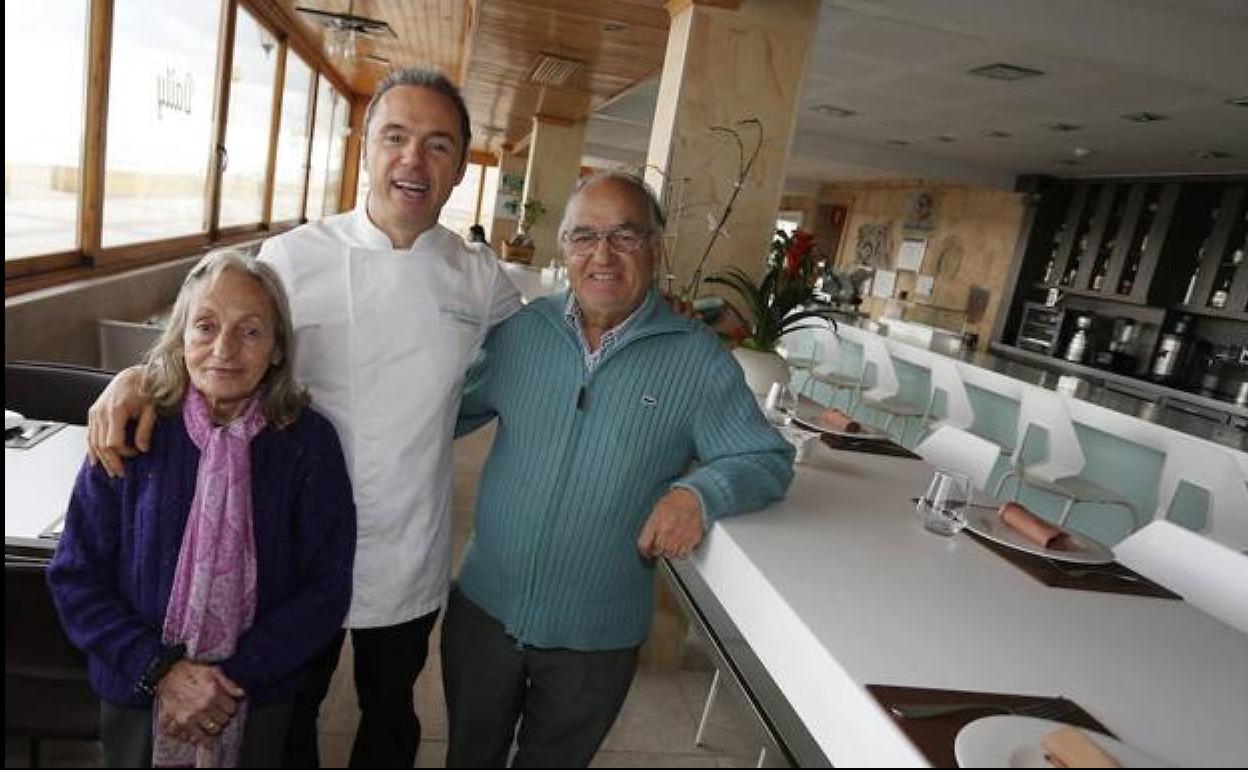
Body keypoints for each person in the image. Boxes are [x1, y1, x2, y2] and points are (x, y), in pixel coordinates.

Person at [84, 68, 522, 767]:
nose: (414, 159)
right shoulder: (294, 256)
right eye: (396, 137)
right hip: (284, 538)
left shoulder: (477, 276)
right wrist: (133, 377)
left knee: (389, 711)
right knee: (287, 715)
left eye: (438, 145)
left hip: (406, 540)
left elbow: (539, 356)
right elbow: (213, 336)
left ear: (461, 164)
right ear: (365, 150)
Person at [442, 171, 795, 767]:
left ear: (656, 249)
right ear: (564, 250)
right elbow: (444, 414)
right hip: (484, 613)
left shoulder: (698, 359)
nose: (602, 255)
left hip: (596, 639)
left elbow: (766, 456)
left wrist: (699, 493)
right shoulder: (522, 335)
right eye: (584, 236)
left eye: (624, 237)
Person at [49, 250, 356, 768]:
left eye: (251, 331)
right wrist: (163, 672)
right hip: (136, 692)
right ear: (181, 337)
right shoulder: (134, 430)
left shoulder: (308, 443)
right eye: (206, 326)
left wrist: (226, 683)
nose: (224, 349)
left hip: (256, 697)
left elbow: (326, 587)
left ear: (278, 348)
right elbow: (76, 576)